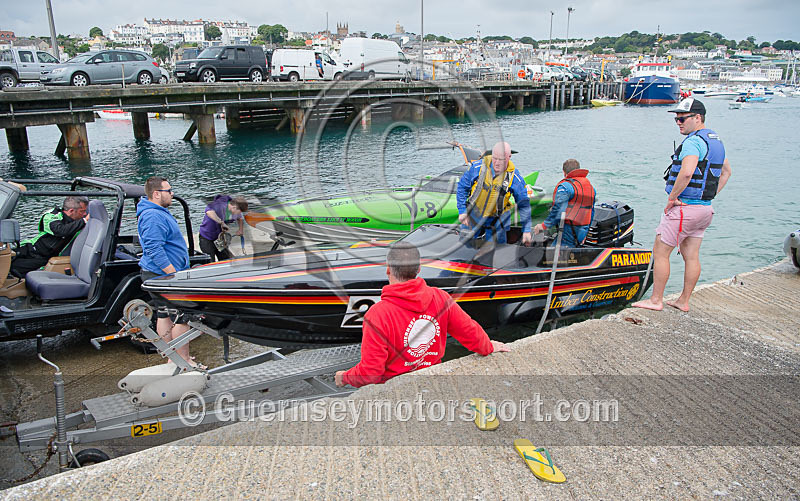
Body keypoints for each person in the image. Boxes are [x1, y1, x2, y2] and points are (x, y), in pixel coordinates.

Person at [335, 242, 510, 388]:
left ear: (388, 269)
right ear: (419, 269)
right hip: (430, 379)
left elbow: (371, 373)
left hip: (394, 389)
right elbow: (469, 331)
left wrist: (345, 377)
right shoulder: (441, 298)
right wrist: (487, 346)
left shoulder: (378, 315)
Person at [633, 98, 732, 312]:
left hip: (684, 209)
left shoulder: (693, 142)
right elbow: (726, 173)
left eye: (682, 118)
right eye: (676, 119)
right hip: (705, 209)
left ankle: (656, 300)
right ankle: (683, 301)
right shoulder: (716, 141)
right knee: (692, 255)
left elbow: (687, 172)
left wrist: (673, 199)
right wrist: (708, 196)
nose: (678, 122)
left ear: (698, 118)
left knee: (660, 253)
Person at [137, 176, 198, 366]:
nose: (172, 194)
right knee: (182, 316)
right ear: (156, 194)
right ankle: (184, 359)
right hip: (164, 275)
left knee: (164, 314)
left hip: (158, 275)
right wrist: (173, 274)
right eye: (169, 191)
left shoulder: (155, 211)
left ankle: (173, 359)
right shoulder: (153, 216)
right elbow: (154, 249)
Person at [456, 141, 532, 245]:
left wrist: (527, 230)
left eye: (501, 159)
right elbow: (462, 187)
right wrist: (462, 210)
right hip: (474, 213)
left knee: (496, 251)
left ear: (509, 157)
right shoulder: (477, 168)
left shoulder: (515, 178)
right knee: (465, 246)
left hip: (497, 218)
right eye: (495, 158)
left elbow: (524, 205)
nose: (497, 163)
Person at [9, 196, 89, 278]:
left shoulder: (80, 223)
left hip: (44, 258)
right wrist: (84, 220)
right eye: (82, 211)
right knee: (6, 262)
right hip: (31, 249)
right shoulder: (51, 216)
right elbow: (60, 230)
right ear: (71, 211)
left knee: (11, 268)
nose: (85, 214)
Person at [533, 159, 596, 248]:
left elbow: (558, 210)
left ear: (564, 172)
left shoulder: (565, 187)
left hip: (568, 231)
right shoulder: (591, 188)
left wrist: (543, 226)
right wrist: (586, 231)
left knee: (551, 256)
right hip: (583, 230)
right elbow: (591, 212)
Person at [198, 195, 248, 261]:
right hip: (206, 237)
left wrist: (240, 230)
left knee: (226, 260)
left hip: (220, 239)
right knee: (210, 261)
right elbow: (209, 212)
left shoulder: (235, 210)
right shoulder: (219, 205)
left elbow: (240, 218)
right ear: (234, 207)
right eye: (240, 212)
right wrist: (221, 223)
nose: (239, 214)